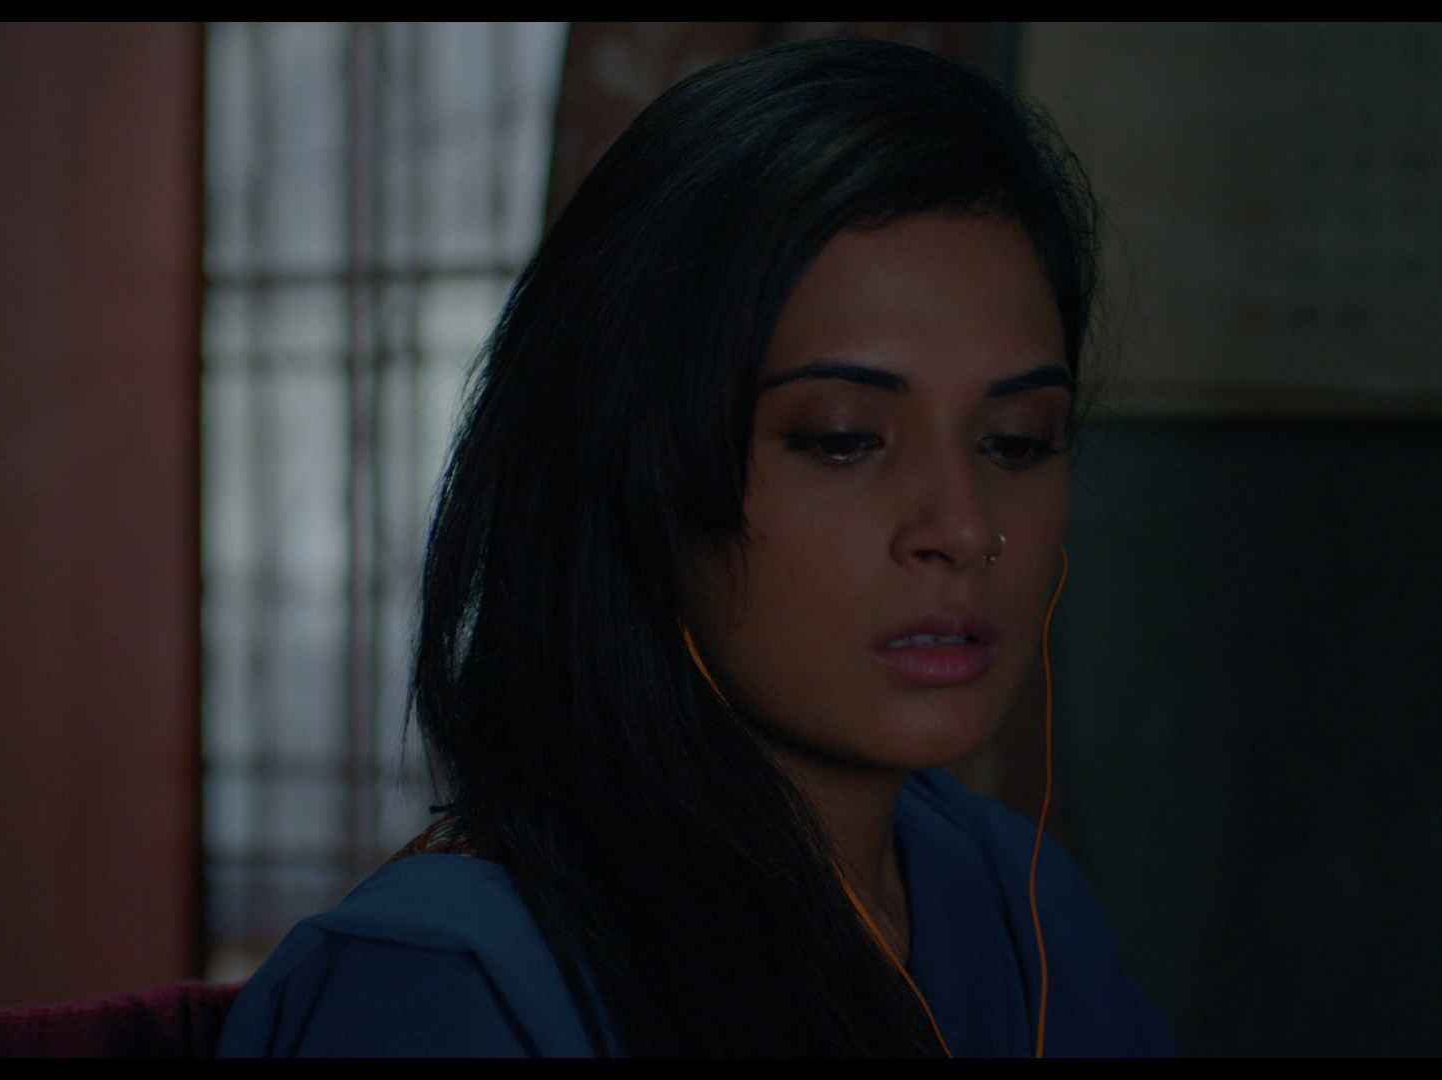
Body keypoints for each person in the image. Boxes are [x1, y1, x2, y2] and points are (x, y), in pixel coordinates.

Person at [216, 36, 1175, 1058]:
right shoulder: (443, 984)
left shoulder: (1017, 904)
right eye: (843, 439)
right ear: (640, 467)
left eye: (1016, 442)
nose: (964, 528)